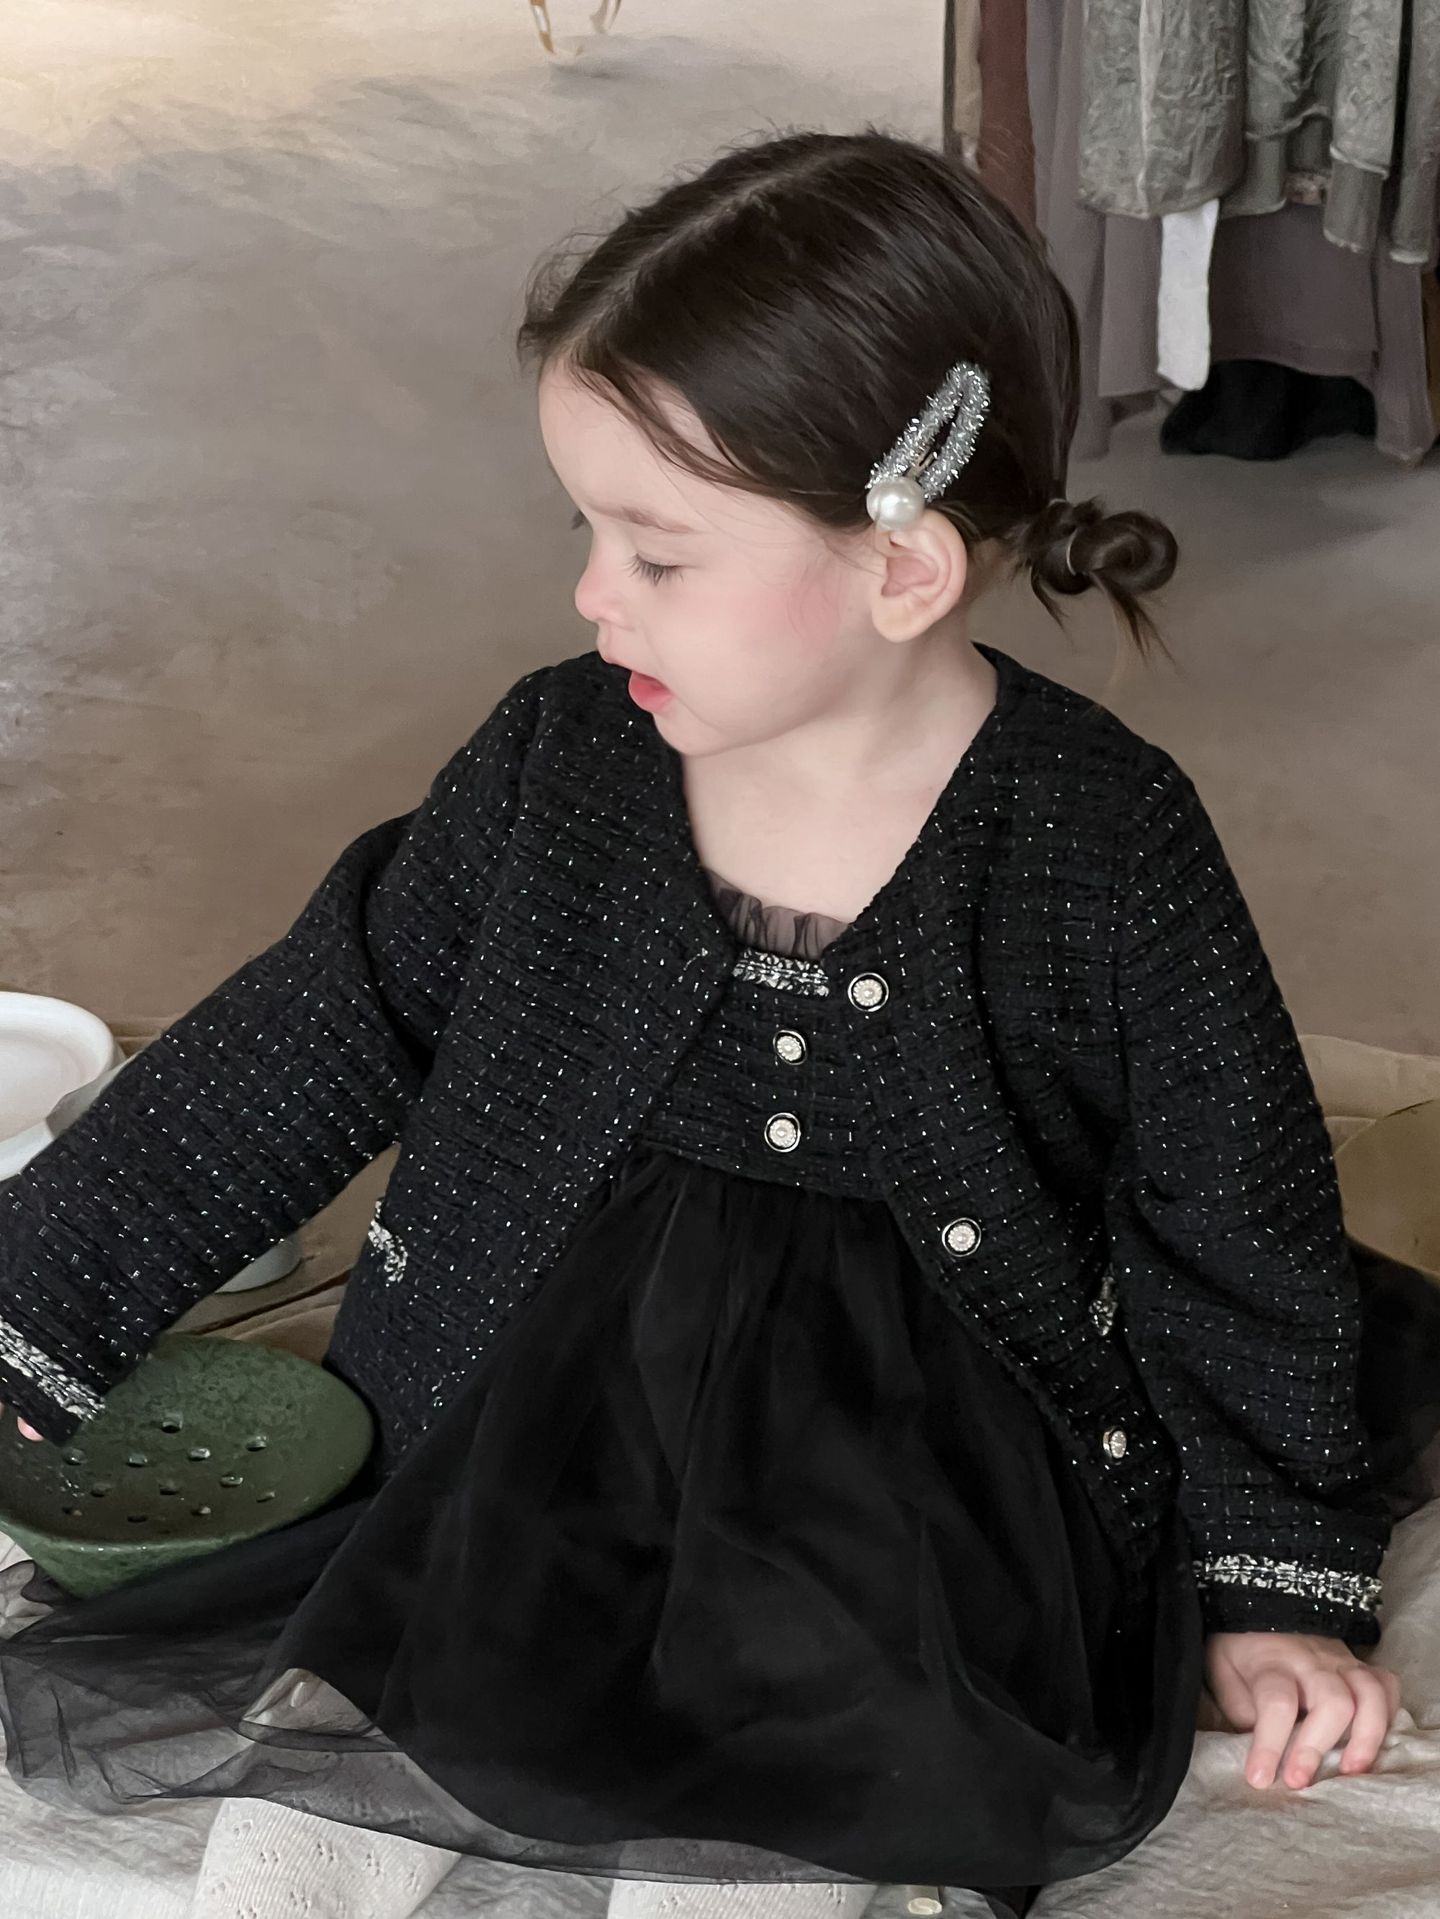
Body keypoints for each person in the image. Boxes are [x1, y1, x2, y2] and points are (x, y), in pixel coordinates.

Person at [0, 128, 1431, 1919]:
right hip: (547, 1375)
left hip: (919, 1445)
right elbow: (318, 1026)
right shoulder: (559, 758)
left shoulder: (1101, 838)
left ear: (902, 571)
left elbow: (1233, 1214)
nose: (593, 593)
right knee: (417, 1708)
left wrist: (1273, 1582)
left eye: (658, 554)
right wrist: (37, 1303)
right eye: (586, 530)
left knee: (826, 1774)